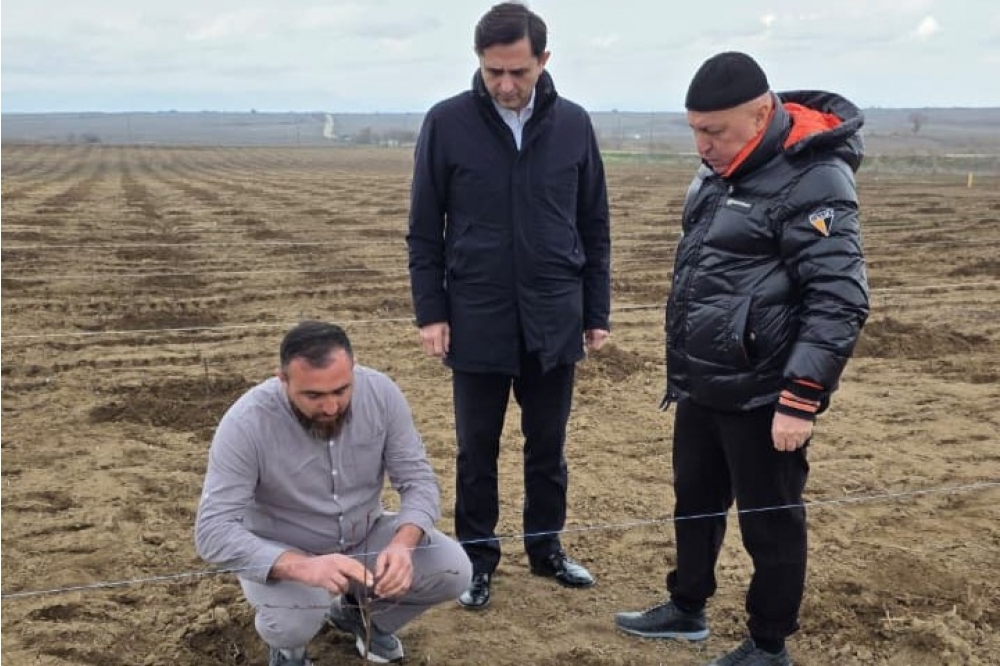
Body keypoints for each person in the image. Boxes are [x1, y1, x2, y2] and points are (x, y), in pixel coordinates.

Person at [614, 52, 869, 666]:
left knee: (770, 522)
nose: (702, 146)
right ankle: (687, 606)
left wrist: (800, 397)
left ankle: (769, 644)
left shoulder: (814, 180)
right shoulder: (716, 173)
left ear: (760, 115)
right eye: (695, 131)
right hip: (704, 381)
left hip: (766, 392)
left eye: (714, 131)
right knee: (694, 501)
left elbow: (838, 298)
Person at [406, 2, 611, 610]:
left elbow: (593, 224)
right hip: (478, 316)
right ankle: (476, 560)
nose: (505, 84)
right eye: (493, 70)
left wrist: (595, 311)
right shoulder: (446, 123)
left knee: (547, 446)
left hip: (555, 315)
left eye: (518, 71)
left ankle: (546, 550)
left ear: (543, 60)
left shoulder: (574, 125)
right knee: (477, 449)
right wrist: (431, 312)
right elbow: (424, 230)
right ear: (479, 61)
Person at [194, 321, 472, 666]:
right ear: (283, 379)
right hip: (286, 550)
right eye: (313, 395)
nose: (330, 407)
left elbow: (418, 480)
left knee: (452, 569)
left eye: (341, 390)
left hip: (363, 536)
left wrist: (403, 544)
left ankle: (359, 617)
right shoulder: (246, 423)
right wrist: (301, 567)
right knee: (293, 622)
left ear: (353, 370)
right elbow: (212, 531)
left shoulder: (381, 394)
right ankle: (289, 653)